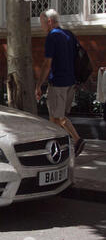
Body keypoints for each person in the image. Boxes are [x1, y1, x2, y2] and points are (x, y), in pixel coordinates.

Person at [35, 9, 86, 157]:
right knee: (54, 117)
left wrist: (38, 85)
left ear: (49, 22)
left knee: (59, 117)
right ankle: (56, 147)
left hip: (58, 83)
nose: (42, 27)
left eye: (42, 23)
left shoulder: (52, 36)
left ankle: (77, 140)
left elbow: (47, 63)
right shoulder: (69, 34)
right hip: (71, 82)